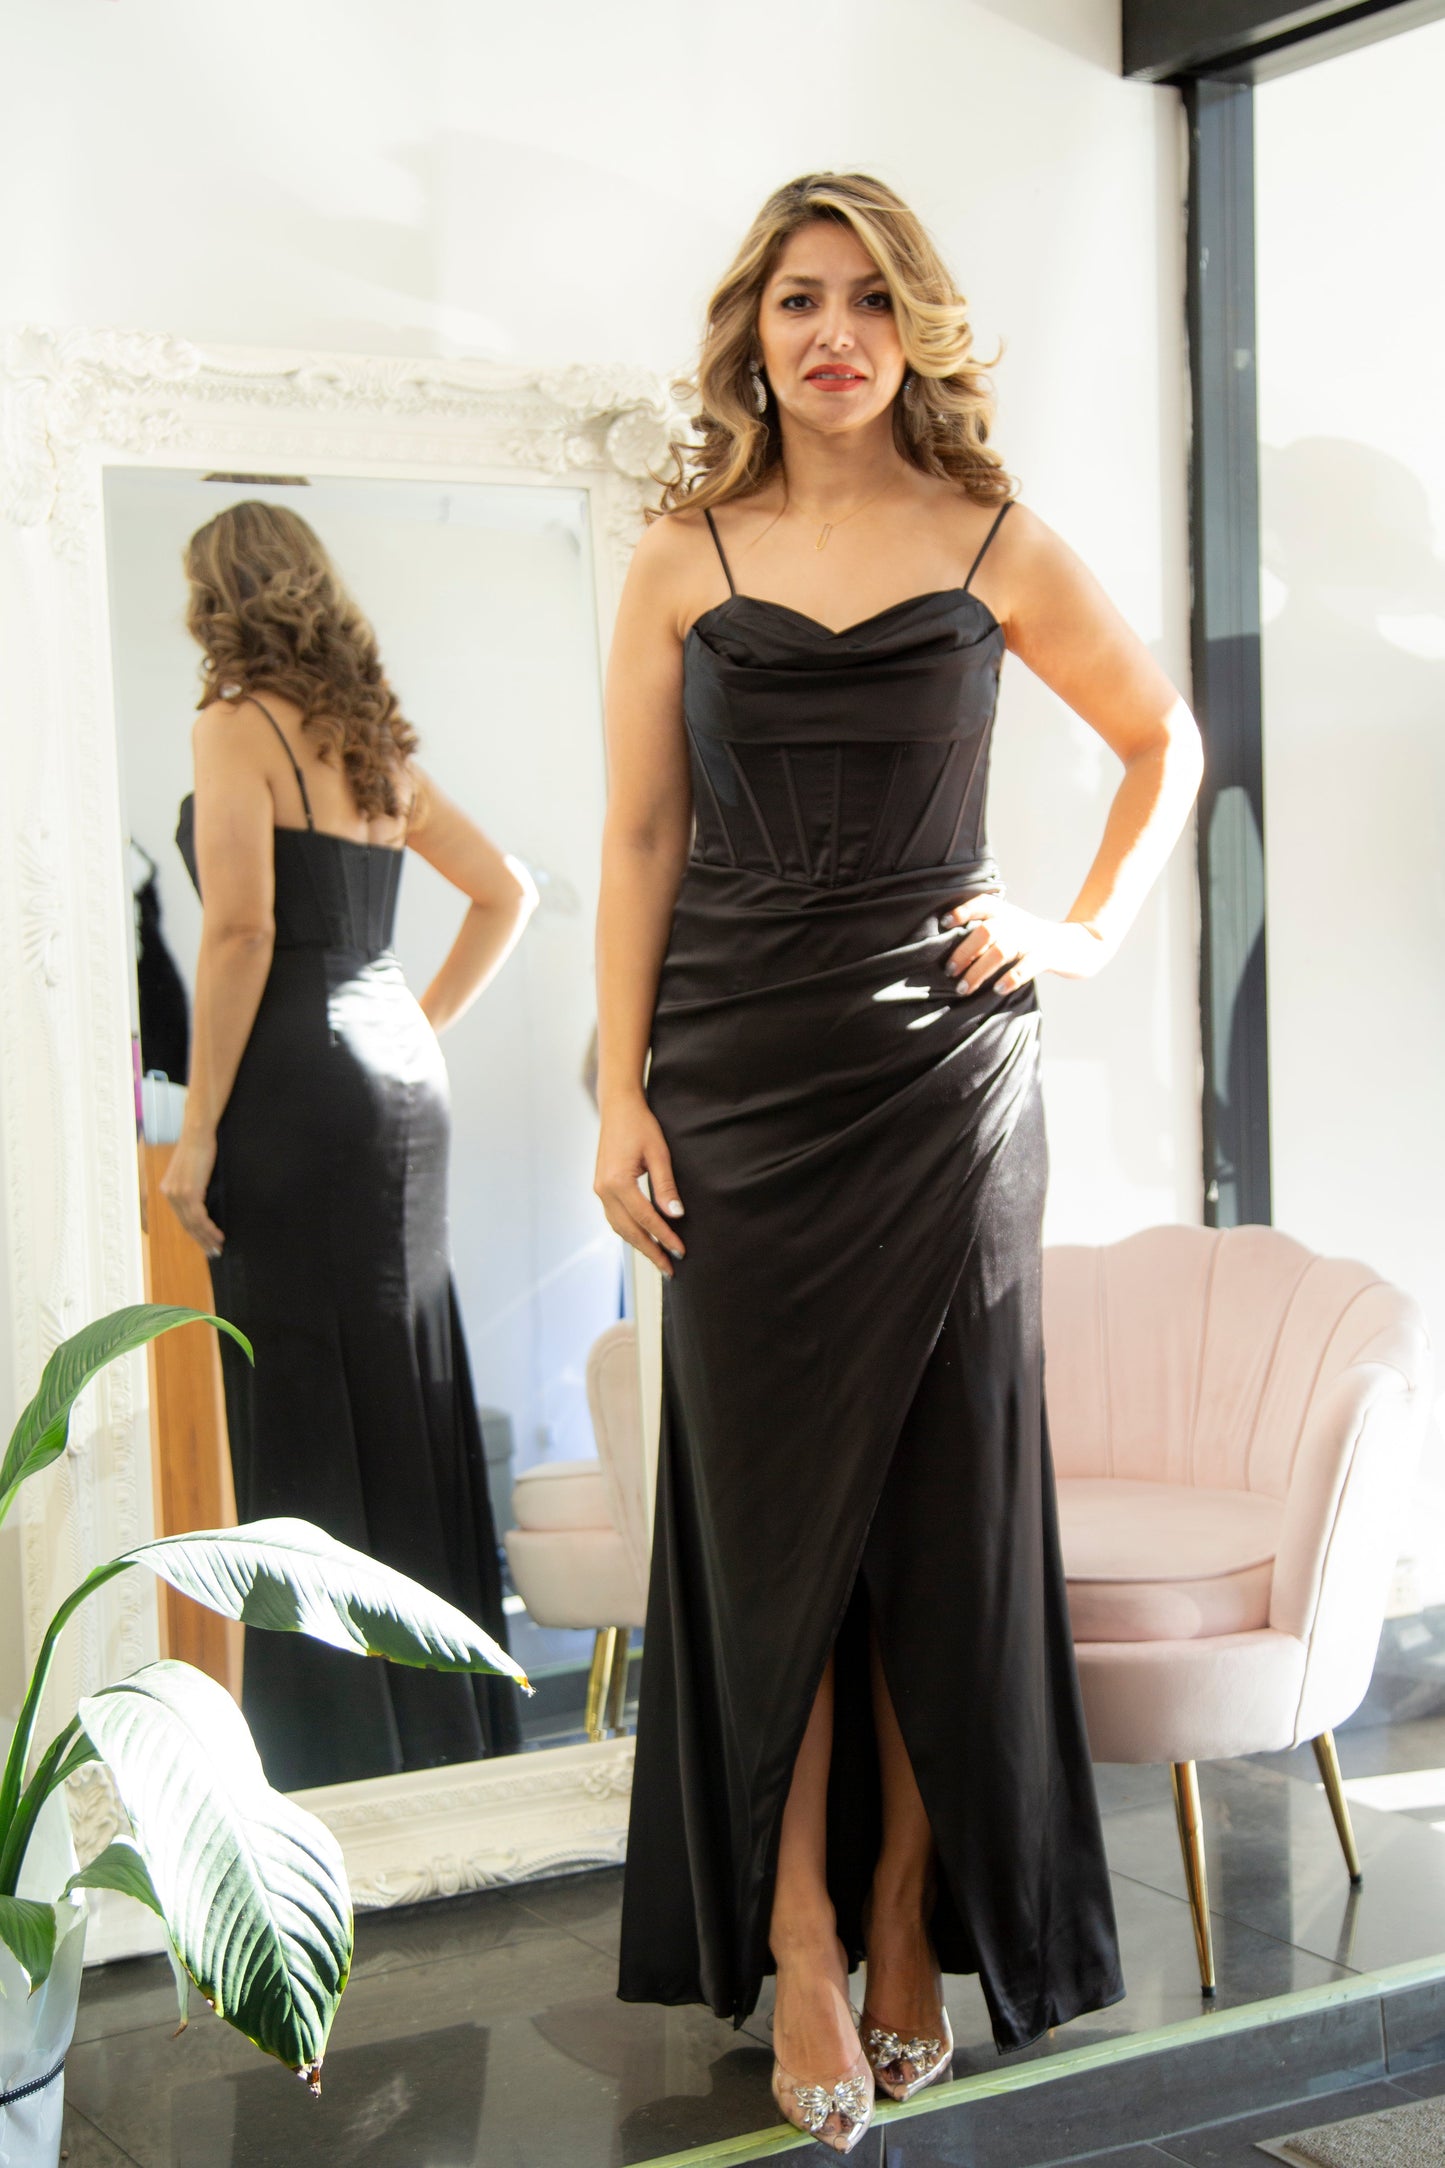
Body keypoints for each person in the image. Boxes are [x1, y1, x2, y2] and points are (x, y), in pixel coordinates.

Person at [593, 173, 1204, 2153]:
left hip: (951, 1083)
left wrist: (1084, 931)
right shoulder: (682, 553)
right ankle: (790, 1941)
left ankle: (908, 1910)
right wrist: (620, 1094)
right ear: (751, 332)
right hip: (739, 1092)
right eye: (797, 300)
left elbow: (1159, 742)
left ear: (916, 327)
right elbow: (634, 845)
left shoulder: (993, 536)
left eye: (865, 299)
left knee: (941, 1520)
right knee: (775, 1544)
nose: (831, 331)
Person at [162, 499, 536, 1792]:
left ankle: (332, 1756)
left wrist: (197, 1128)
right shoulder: (371, 738)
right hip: (397, 1087)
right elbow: (508, 890)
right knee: (398, 1382)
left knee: (304, 1392)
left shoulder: (233, 723)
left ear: (217, 599)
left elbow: (241, 935)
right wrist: (413, 1022)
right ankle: (446, 1738)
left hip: (294, 1092)